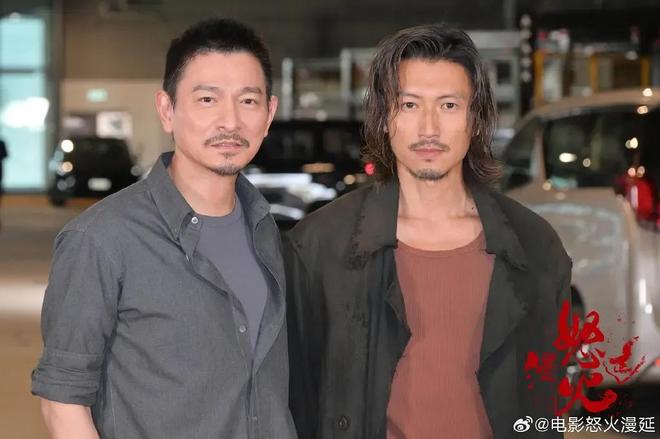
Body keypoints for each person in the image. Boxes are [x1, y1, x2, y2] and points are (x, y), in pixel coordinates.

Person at [285, 24, 571, 439]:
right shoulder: (319, 246)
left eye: (449, 105)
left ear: (476, 120)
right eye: (409, 105)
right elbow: (297, 401)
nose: (429, 128)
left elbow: (547, 402)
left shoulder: (536, 247)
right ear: (384, 118)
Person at [32, 18, 297, 439]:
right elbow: (62, 402)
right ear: (167, 110)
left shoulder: (268, 231)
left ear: (269, 114)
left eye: (248, 101)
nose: (230, 121)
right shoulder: (101, 240)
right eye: (207, 99)